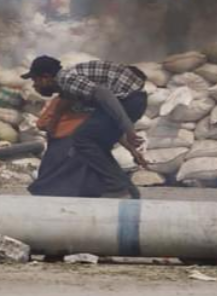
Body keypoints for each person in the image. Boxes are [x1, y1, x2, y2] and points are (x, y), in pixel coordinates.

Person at [22, 56, 148, 198]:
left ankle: (118, 187)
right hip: (131, 101)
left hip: (128, 100)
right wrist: (132, 149)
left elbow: (104, 94)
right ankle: (128, 191)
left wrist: (129, 129)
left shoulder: (67, 81)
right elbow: (105, 124)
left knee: (83, 140)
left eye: (35, 80)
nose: (34, 86)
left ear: (46, 77)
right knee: (95, 144)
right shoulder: (73, 89)